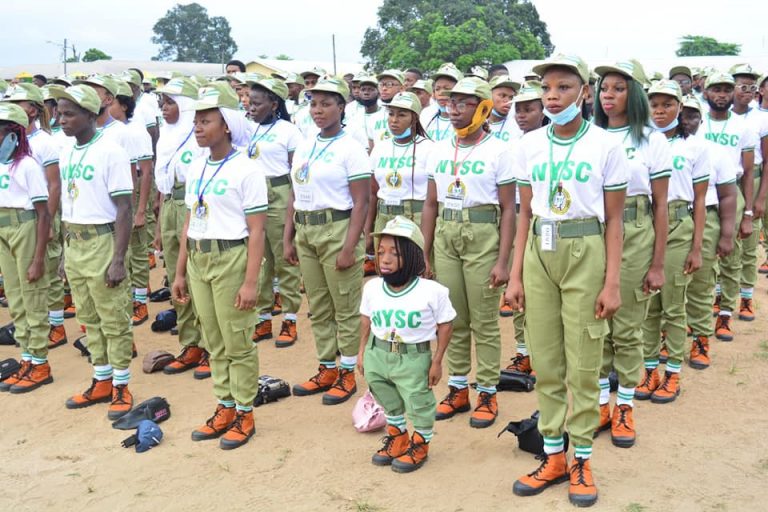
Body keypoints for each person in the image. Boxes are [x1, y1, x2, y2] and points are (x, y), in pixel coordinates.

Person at [506, 54, 628, 507]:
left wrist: (612, 282)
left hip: (585, 248)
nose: (552, 96)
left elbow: (615, 221)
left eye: (563, 87)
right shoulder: (529, 145)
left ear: (584, 92)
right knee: (547, 362)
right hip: (540, 250)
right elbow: (524, 214)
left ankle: (582, 460)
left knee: (583, 365)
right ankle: (554, 455)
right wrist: (516, 274)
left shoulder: (605, 145)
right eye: (546, 88)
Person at [172, 81, 267, 450]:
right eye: (196, 121)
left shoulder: (247, 169)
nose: (197, 127)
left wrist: (251, 282)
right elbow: (189, 222)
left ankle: (245, 412)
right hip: (199, 258)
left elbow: (257, 232)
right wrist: (180, 271)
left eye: (206, 121)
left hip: (231, 258)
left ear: (226, 125)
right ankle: (225, 406)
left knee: (237, 340)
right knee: (214, 340)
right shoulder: (196, 166)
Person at [421, 77, 516, 429]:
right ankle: (458, 388)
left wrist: (503, 261)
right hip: (446, 234)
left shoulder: (499, 151)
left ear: (483, 108)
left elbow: (509, 209)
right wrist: (424, 251)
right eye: (450, 103)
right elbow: (430, 204)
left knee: (484, 321)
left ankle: (487, 392)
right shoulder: (437, 150)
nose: (454, 110)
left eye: (463, 103)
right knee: (453, 318)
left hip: (482, 235)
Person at [591, 61, 670, 443]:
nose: (609, 95)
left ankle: (625, 406)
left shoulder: (651, 140)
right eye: (604, 88)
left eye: (619, 88)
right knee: (595, 323)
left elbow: (661, 204)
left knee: (626, 325)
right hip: (594, 233)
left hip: (636, 232)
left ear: (634, 93)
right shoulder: (589, 135)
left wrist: (657, 264)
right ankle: (600, 404)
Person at [283, 77, 370, 406]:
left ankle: (347, 372)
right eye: (314, 104)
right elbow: (294, 194)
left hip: (337, 230)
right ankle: (326, 367)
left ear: (341, 107)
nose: (318, 110)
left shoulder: (351, 148)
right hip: (306, 230)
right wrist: (289, 237)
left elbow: (361, 201)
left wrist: (350, 247)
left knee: (345, 307)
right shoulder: (306, 144)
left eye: (326, 104)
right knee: (318, 306)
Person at [52, 84, 135, 420]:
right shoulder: (66, 152)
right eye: (59, 113)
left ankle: (121, 385)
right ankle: (101, 379)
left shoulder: (111, 151)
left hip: (103, 242)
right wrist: (64, 253)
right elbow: (68, 207)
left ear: (89, 114)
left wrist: (118, 259)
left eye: (69, 114)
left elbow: (125, 208)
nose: (61, 120)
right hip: (75, 242)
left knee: (113, 318)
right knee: (88, 319)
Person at [358, 216, 455, 473]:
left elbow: (446, 325)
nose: (385, 259)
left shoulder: (432, 291)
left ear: (412, 255)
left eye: (395, 253)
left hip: (413, 357)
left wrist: (437, 361)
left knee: (418, 401)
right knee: (385, 395)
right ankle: (398, 437)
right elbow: (366, 319)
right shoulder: (373, 287)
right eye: (381, 252)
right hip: (377, 353)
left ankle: (420, 444)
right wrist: (362, 353)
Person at [637, 80, 708, 406]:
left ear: (680, 108)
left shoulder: (694, 147)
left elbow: (700, 200)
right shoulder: (641, 142)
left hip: (678, 225)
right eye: (654, 105)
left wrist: (696, 247)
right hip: (645, 225)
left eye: (667, 105)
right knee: (648, 306)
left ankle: (673, 372)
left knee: (673, 306)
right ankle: (650, 369)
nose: (660, 111)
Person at [1, 84, 67, 349]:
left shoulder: (43, 144)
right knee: (19, 284)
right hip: (14, 221)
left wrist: (47, 223)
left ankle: (55, 325)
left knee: (44, 272)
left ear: (33, 109)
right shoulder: (7, 153)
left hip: (37, 217)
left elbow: (54, 185)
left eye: (18, 102)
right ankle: (30, 335)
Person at [153, 77, 210, 378]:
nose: (164, 108)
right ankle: (190, 343)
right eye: (162, 102)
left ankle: (210, 344)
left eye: (171, 102)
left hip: (196, 207)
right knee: (178, 278)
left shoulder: (199, 134)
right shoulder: (166, 136)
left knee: (198, 276)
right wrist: (160, 226)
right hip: (171, 206)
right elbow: (163, 182)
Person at [246, 78, 303, 348]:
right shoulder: (250, 129)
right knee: (260, 261)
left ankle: (290, 319)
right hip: (254, 195)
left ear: (274, 104)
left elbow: (297, 171)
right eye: (249, 102)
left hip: (280, 193)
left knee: (283, 260)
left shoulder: (288, 131)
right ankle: (264, 318)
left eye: (257, 103)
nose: (251, 107)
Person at [0, 103, 52, 393]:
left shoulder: (28, 165)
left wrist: (39, 258)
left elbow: (44, 213)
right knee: (15, 298)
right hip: (3, 229)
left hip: (25, 226)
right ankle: (27, 358)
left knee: (32, 295)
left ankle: (41, 363)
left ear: (13, 133)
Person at [683, 94, 737, 370]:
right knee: (666, 286)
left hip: (707, 219)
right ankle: (667, 338)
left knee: (702, 284)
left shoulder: (715, 151)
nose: (686, 120)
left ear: (700, 119)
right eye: (682, 114)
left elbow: (728, 195)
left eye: (692, 115)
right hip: (671, 220)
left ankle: (700, 340)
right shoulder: (661, 147)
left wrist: (727, 235)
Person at [706, 72, 758, 342]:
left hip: (731, 192)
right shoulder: (695, 122)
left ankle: (725, 313)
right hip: (702, 194)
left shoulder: (742, 126)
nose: (722, 95)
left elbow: (748, 173)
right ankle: (697, 313)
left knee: (731, 253)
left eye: (726, 89)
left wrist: (748, 212)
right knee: (701, 253)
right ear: (706, 92)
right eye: (716, 89)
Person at [500, 81, 547, 374]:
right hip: (518, 215)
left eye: (529, 110)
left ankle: (544, 351)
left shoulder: (551, 143)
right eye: (518, 110)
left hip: (544, 219)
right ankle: (523, 352)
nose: (521, 115)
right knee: (518, 284)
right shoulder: (512, 143)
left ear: (543, 111)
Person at [728, 64, 768, 320]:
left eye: (752, 87)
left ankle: (746, 297)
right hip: (726, 184)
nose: (748, 91)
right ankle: (721, 297)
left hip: (752, 180)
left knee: (749, 242)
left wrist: (760, 198)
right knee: (724, 242)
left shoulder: (761, 119)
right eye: (742, 86)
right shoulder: (716, 117)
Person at [420, 63, 463, 142]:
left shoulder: (466, 118)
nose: (441, 93)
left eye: (447, 89)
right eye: (437, 89)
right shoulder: (426, 114)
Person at [488, 75, 522, 142]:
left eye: (511, 97)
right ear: (489, 95)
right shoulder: (477, 124)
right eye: (502, 96)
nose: (507, 101)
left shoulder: (518, 127)